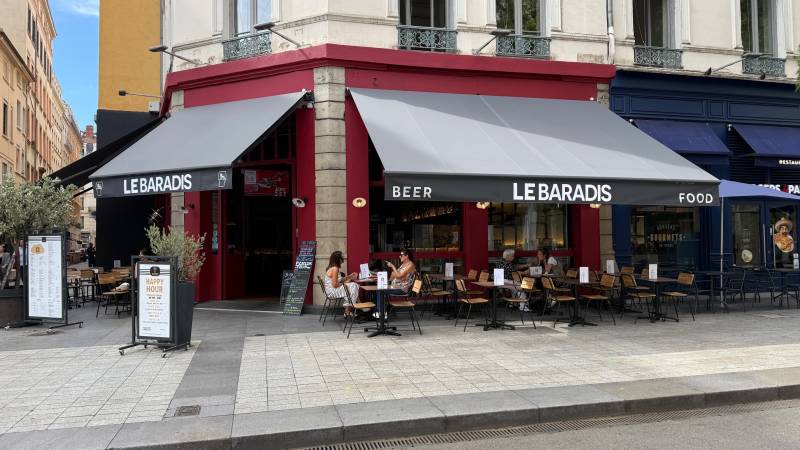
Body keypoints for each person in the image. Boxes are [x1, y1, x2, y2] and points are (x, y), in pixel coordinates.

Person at [375, 247, 417, 315]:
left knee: (380, 291)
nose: (399, 256)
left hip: (402, 289)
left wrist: (392, 266)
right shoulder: (403, 264)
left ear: (406, 256)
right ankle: (379, 312)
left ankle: (381, 314)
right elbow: (393, 275)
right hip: (396, 286)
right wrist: (389, 281)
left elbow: (398, 275)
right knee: (378, 290)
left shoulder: (410, 265)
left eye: (401, 255)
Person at [323, 251, 359, 317]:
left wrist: (349, 276)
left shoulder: (333, 268)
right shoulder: (335, 269)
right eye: (342, 257)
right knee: (354, 285)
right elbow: (335, 285)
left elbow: (339, 280)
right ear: (338, 259)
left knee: (352, 286)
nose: (343, 259)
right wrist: (345, 284)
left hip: (331, 290)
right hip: (331, 292)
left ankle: (348, 309)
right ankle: (348, 308)